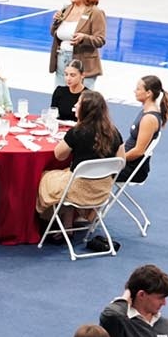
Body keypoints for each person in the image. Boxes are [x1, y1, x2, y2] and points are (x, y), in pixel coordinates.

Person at [36, 90, 121, 236]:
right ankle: (67, 225)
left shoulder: (77, 132)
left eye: (79, 103)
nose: (75, 105)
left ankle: (44, 221)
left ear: (86, 109)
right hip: (102, 190)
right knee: (70, 175)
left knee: (46, 176)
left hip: (77, 189)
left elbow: (59, 155)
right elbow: (121, 161)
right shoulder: (114, 133)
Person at [49, 0, 106, 84]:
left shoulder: (95, 12)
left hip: (83, 65)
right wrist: (56, 22)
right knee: (61, 98)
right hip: (62, 62)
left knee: (82, 100)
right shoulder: (66, 9)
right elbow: (54, 33)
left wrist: (84, 38)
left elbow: (100, 40)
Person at [118, 74, 168, 182]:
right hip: (125, 161)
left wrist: (117, 160)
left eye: (138, 89)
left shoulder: (149, 119)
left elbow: (138, 151)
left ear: (148, 93)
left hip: (131, 169)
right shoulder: (146, 112)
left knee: (93, 171)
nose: (135, 91)